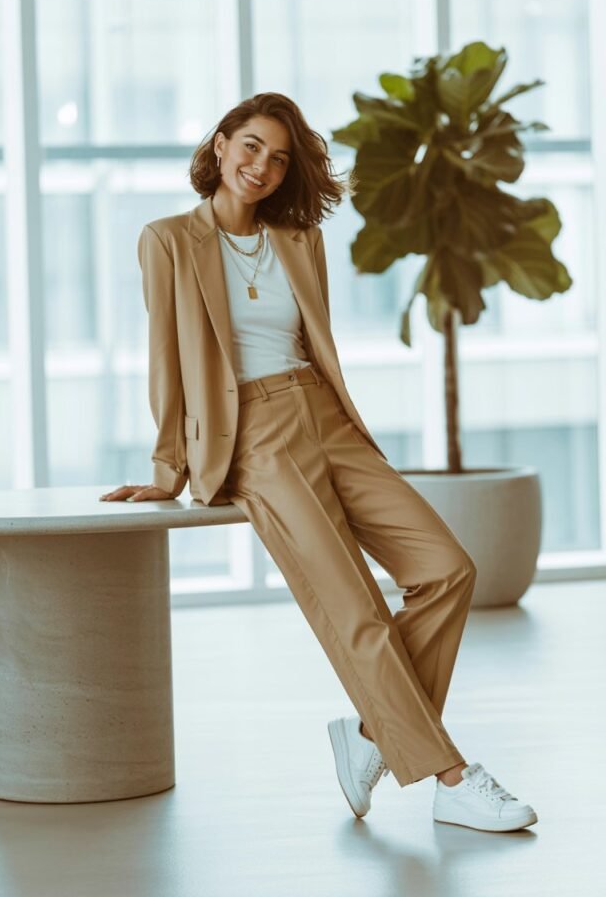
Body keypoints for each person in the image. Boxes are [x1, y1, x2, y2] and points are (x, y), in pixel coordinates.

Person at [99, 92, 538, 832]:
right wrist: (169, 468)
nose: (261, 167)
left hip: (326, 415)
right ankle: (450, 775)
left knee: (446, 568)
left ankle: (371, 735)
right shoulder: (167, 239)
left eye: (277, 157)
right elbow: (167, 362)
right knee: (353, 605)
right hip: (255, 434)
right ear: (219, 143)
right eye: (250, 147)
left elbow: (315, 343)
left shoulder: (299, 239)